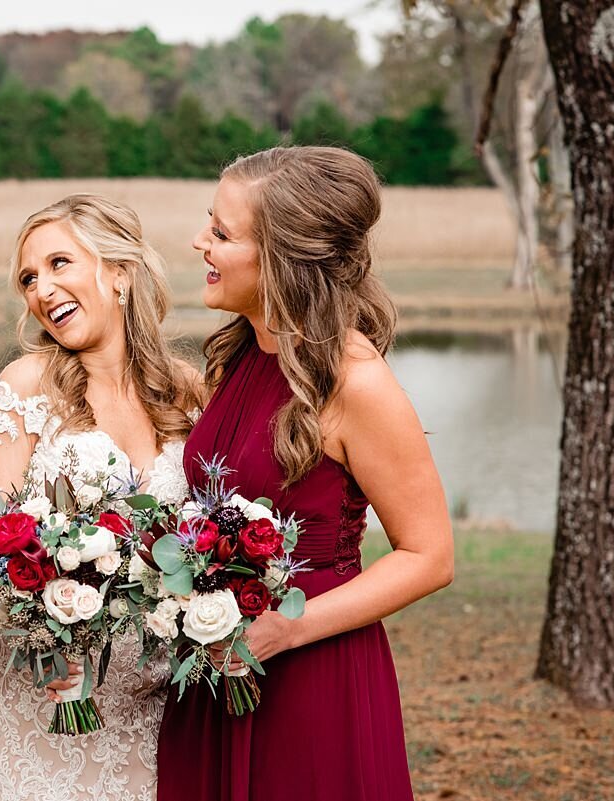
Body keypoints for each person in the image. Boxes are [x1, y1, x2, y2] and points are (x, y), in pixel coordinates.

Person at [155, 146, 454, 801]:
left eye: (222, 233)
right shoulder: (239, 357)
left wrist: (289, 628)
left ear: (282, 259)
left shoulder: (356, 382)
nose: (198, 241)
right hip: (217, 664)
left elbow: (430, 556)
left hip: (314, 670)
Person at [0, 194, 202, 801]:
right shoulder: (22, 390)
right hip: (42, 692)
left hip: (155, 700)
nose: (42, 289)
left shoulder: (188, 391)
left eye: (60, 263)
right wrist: (49, 641)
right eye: (29, 277)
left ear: (118, 272)